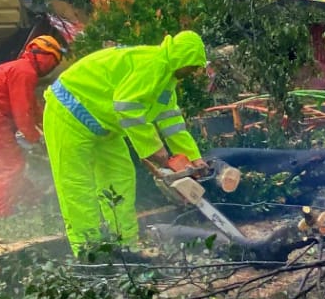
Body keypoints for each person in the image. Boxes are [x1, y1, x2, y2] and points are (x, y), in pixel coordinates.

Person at [42, 31, 210, 254]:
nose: (192, 72)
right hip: (69, 114)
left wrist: (193, 158)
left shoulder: (167, 78)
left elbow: (171, 120)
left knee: (120, 179)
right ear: (182, 58)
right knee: (77, 187)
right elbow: (127, 106)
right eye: (191, 67)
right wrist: (156, 151)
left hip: (104, 126)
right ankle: (89, 253)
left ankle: (125, 246)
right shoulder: (151, 64)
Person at [0, 35, 65, 219]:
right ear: (45, 57)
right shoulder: (25, 72)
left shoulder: (20, 69)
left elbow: (33, 107)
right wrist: (37, 140)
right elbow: (22, 114)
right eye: (53, 62)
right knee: (9, 166)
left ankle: (27, 201)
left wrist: (48, 128)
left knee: (13, 162)